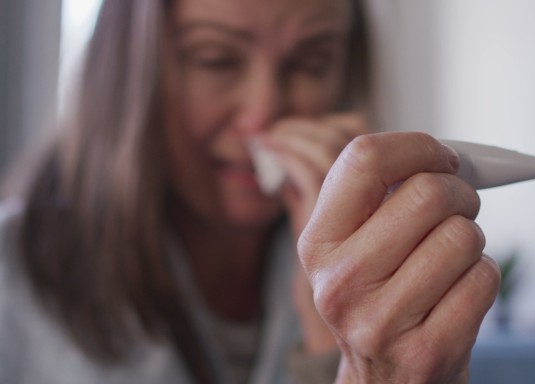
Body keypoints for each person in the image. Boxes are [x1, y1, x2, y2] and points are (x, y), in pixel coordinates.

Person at [0, 0, 500, 383]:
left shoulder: (381, 276)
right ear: (131, 73)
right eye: (215, 60)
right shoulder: (14, 287)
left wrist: (335, 338)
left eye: (310, 63)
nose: (265, 113)